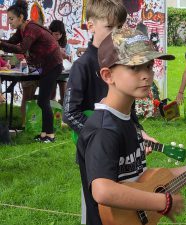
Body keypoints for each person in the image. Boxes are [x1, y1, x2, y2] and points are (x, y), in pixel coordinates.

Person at [77, 27, 186, 225]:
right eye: (135, 68)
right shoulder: (104, 129)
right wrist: (162, 201)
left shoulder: (126, 119)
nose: (146, 75)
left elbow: (145, 181)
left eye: (149, 66)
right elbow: (103, 190)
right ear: (107, 76)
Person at [63, 1, 155, 224]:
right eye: (110, 27)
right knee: (97, 209)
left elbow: (128, 108)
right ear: (91, 26)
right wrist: (102, 140)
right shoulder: (83, 65)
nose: (116, 33)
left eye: (120, 27)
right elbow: (69, 111)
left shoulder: (127, 57)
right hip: (99, 147)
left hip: (122, 143)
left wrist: (138, 132)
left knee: (126, 198)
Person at [0, 0, 63, 142]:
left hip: (53, 65)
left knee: (43, 101)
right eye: (8, 19)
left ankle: (50, 135)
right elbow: (10, 43)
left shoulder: (31, 29)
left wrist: (1, 44)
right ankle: (44, 134)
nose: (9, 22)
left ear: (21, 17)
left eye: (11, 19)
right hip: (47, 66)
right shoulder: (22, 30)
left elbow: (22, 48)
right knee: (43, 101)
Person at [49, 20, 71, 105]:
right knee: (52, 92)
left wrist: (66, 56)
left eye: (60, 34)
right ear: (51, 32)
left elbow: (69, 59)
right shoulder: (47, 42)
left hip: (62, 72)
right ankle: (52, 109)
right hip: (51, 72)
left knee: (64, 92)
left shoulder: (65, 44)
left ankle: (63, 111)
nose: (58, 36)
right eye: (56, 34)